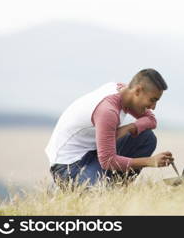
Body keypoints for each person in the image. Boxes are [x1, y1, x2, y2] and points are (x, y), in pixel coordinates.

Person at [45, 68, 173, 187]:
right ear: (138, 91)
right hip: (68, 165)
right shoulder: (108, 111)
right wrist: (150, 161)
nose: (153, 106)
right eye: (152, 100)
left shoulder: (124, 91)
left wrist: (128, 128)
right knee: (99, 192)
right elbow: (108, 161)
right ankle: (70, 186)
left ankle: (118, 188)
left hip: (93, 153)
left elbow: (151, 120)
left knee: (146, 138)